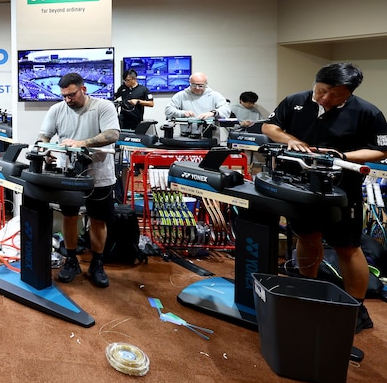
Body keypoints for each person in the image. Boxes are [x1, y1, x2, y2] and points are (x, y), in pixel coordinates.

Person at [262, 62, 387, 334]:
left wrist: (343, 156)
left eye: (336, 95)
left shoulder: (368, 112)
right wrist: (290, 140)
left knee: (347, 246)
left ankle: (356, 307)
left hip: (342, 190)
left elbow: (380, 151)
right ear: (316, 83)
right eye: (322, 91)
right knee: (307, 236)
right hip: (300, 186)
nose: (326, 99)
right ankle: (310, 290)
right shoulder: (296, 101)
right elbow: (269, 127)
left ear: (349, 93)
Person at [38, 72, 120, 288]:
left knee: (98, 219)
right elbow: (43, 136)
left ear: (83, 89)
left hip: (99, 174)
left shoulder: (103, 106)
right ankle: (71, 260)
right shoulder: (57, 109)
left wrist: (82, 143)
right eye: (64, 95)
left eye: (72, 95)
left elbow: (112, 135)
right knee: (69, 216)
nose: (68, 99)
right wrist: (43, 148)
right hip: (69, 173)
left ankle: (97, 263)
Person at [164, 72, 231, 120]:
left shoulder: (215, 95)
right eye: (194, 85)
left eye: (201, 86)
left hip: (210, 134)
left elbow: (226, 110)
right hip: (187, 134)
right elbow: (168, 111)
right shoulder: (181, 95)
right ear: (190, 83)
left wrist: (213, 113)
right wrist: (183, 113)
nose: (197, 88)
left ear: (206, 84)